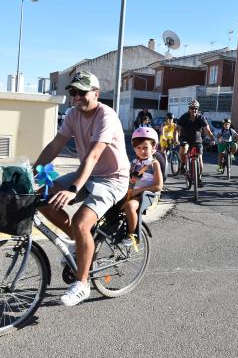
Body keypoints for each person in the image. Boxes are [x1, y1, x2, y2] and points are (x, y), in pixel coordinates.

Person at [33, 71, 130, 307]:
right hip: (88, 174)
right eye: (73, 92)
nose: (76, 97)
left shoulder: (106, 116)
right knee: (40, 198)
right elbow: (56, 144)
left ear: (96, 93)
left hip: (112, 179)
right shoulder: (72, 115)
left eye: (81, 92)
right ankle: (78, 243)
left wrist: (74, 188)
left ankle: (82, 284)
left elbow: (94, 155)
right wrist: (35, 168)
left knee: (81, 222)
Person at [122, 127, 163, 247]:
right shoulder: (134, 163)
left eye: (146, 148)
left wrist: (139, 190)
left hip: (146, 195)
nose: (142, 151)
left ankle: (132, 234)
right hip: (133, 193)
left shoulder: (154, 164)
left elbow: (158, 186)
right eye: (138, 148)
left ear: (153, 148)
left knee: (130, 206)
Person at [174, 100, 215, 187]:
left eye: (196, 108)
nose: (194, 110)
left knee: (199, 159)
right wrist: (176, 140)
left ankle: (199, 178)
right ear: (189, 109)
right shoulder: (184, 117)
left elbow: (207, 130)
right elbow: (177, 130)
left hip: (197, 139)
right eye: (192, 108)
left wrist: (212, 139)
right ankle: (183, 164)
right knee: (184, 148)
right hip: (185, 137)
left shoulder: (201, 118)